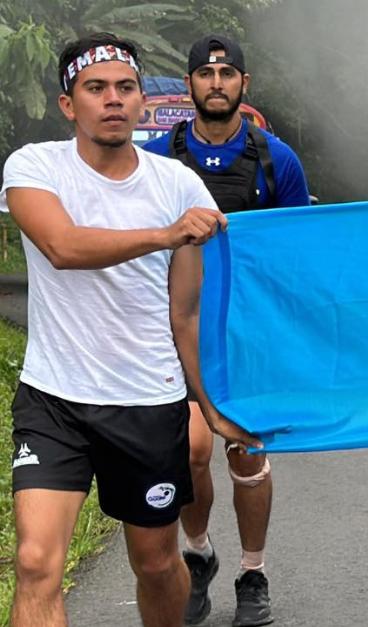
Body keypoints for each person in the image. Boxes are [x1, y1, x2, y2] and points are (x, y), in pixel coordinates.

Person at [3, 32, 258, 627]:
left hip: (147, 402)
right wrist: (166, 234)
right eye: (95, 88)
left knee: (155, 563)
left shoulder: (177, 185)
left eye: (125, 87)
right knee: (37, 561)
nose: (112, 99)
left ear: (142, 101)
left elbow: (185, 313)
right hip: (55, 400)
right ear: (70, 104)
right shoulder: (34, 166)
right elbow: (63, 247)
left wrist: (211, 406)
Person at [144, 33, 309, 627]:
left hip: (247, 332)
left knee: (246, 453)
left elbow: (298, 250)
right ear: (189, 85)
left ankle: (253, 571)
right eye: (206, 74)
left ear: (244, 84)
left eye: (228, 73)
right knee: (190, 451)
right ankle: (199, 553)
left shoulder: (276, 158)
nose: (217, 82)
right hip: (174, 325)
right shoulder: (158, 159)